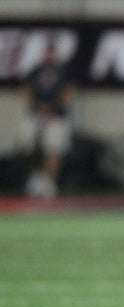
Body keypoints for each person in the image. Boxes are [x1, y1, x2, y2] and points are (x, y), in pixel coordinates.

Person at [19, 43, 75, 199]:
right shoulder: (35, 70)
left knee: (55, 148)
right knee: (29, 146)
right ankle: (36, 177)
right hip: (36, 114)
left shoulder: (64, 71)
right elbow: (25, 89)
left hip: (57, 115)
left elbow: (69, 91)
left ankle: (49, 183)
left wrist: (52, 108)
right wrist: (37, 107)